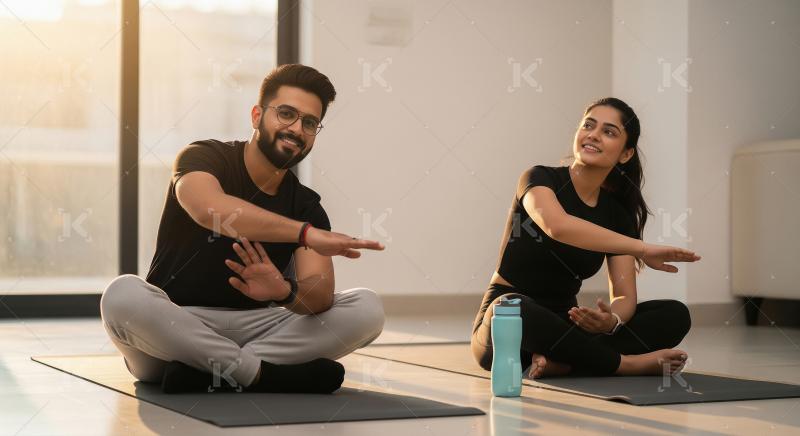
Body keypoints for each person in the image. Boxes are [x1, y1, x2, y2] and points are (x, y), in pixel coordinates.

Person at [100, 64, 386, 394]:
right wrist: (304, 233)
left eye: (309, 123)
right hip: (176, 325)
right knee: (122, 295)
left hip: (258, 329)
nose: (296, 129)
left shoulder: (305, 205)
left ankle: (215, 372)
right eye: (286, 114)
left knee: (367, 309)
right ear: (256, 116)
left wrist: (284, 291)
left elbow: (319, 297)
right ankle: (265, 375)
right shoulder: (203, 158)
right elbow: (209, 210)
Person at [471, 97, 701, 379]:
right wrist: (642, 249)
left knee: (675, 314)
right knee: (512, 308)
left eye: (609, 131)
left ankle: (564, 363)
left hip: (566, 323)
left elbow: (624, 296)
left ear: (626, 154)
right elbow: (558, 226)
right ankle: (624, 364)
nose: (593, 134)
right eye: (588, 126)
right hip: (511, 327)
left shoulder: (616, 214)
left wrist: (611, 321)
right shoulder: (539, 179)